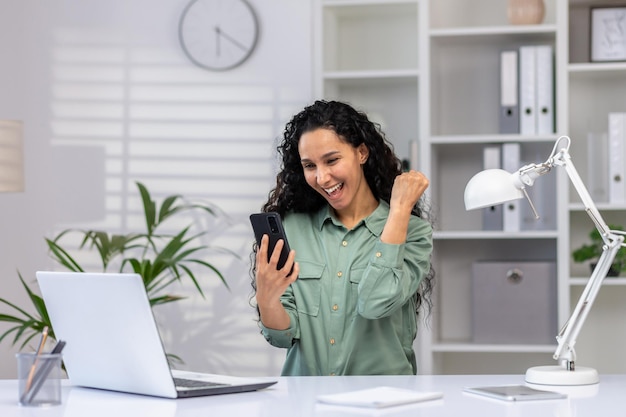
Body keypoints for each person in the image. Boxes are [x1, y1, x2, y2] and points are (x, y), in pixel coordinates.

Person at [251, 100, 434, 376]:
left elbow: (376, 302)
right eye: (309, 165)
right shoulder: (293, 228)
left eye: (332, 160)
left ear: (361, 152)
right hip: (305, 403)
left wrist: (398, 211)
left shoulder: (413, 233)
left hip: (382, 402)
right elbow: (282, 337)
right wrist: (266, 298)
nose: (322, 177)